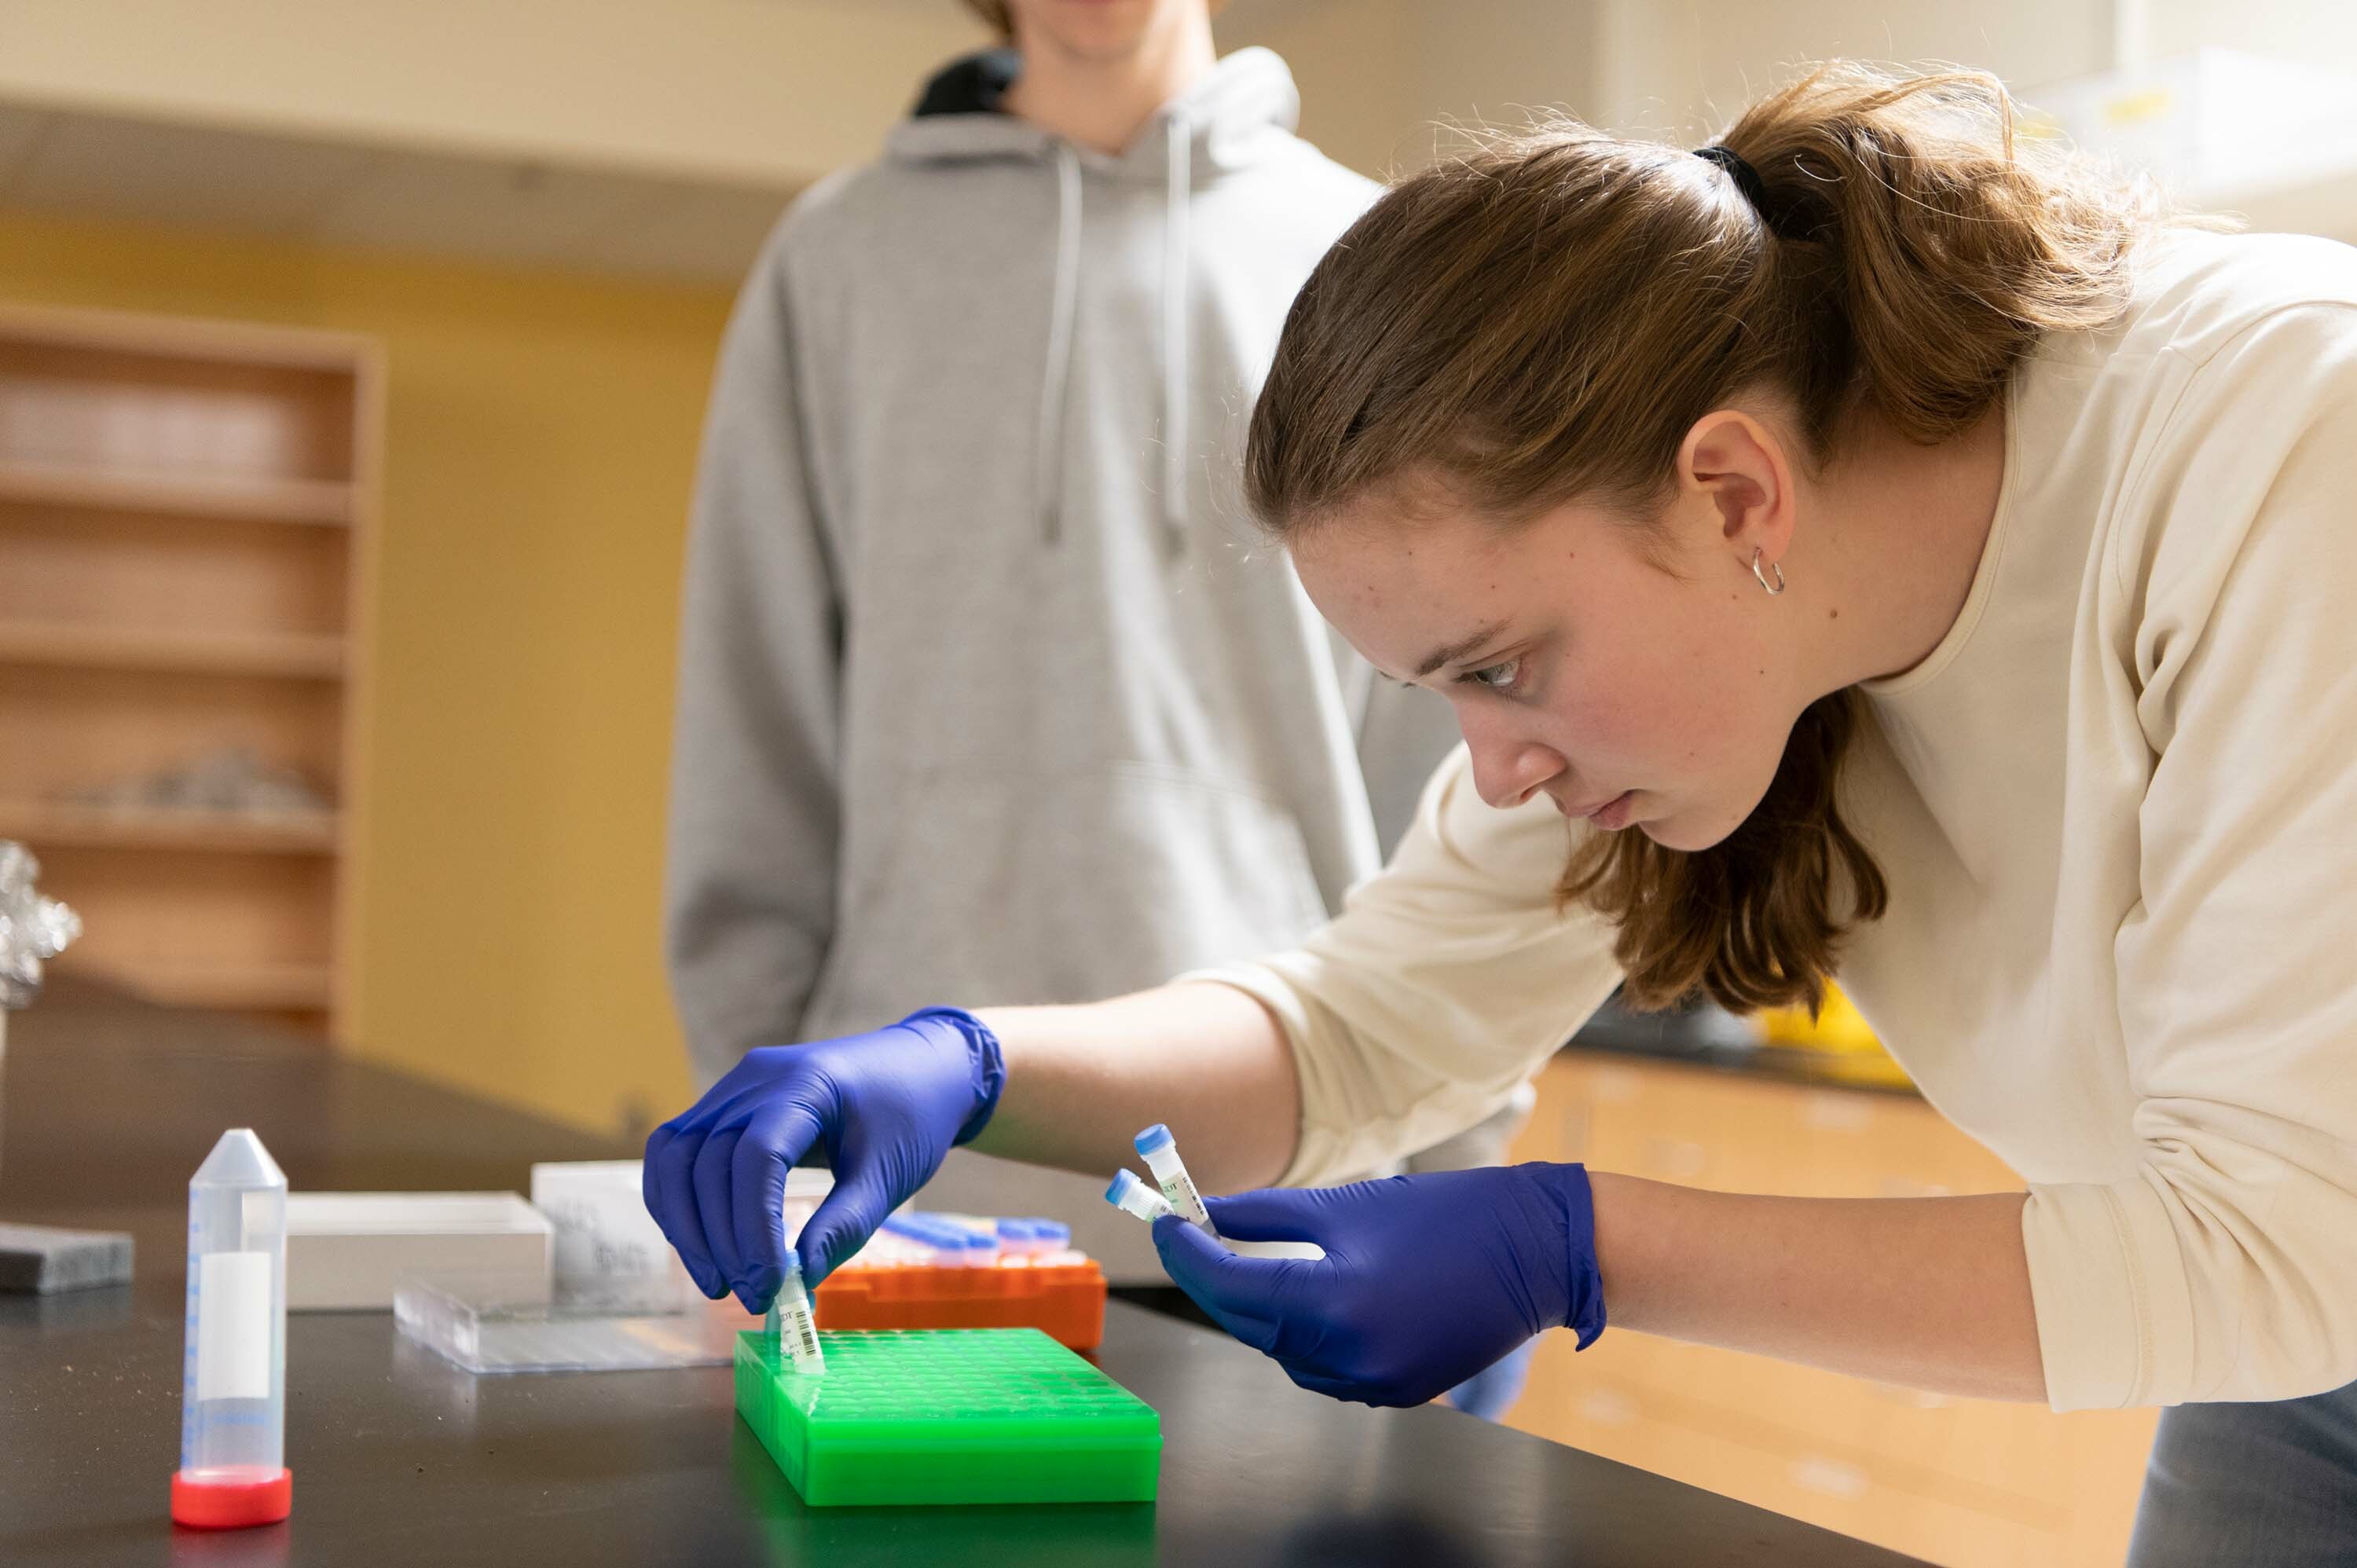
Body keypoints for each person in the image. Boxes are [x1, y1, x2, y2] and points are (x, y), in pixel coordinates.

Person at [648, 60, 2357, 1559]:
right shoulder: (1731, 597)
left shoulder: (2284, 444)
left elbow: (2281, 1243)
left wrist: (1579, 1239)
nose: (1495, 767)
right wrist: (976, 1068)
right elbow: (1368, 1029)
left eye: (1507, 666)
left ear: (1733, 487)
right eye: (1446, 692)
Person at [662, 0, 1525, 1412]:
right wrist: (775, 1129)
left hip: (1300, 1189)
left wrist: (1462, 1166)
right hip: (900, 1216)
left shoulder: (1378, 264)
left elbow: (1467, 736)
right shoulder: (841, 259)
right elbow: (752, 703)